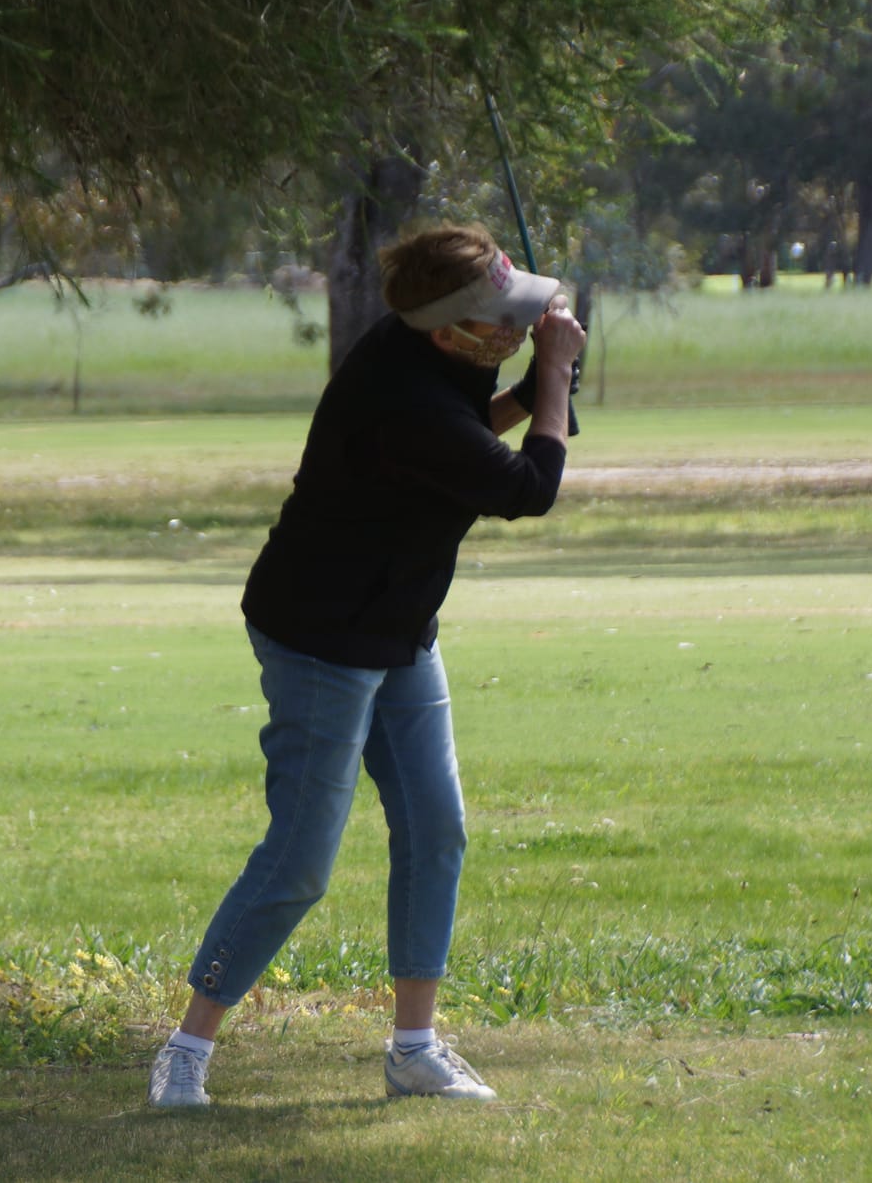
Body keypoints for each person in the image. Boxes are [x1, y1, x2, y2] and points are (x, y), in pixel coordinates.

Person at [147, 223, 588, 1109]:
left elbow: (471, 439)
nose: (516, 327)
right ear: (449, 332)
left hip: (398, 625)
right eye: (503, 319)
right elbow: (525, 488)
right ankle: (185, 1051)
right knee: (302, 859)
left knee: (436, 826)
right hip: (321, 636)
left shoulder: (427, 365)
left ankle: (414, 1049)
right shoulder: (405, 398)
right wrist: (552, 378)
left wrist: (539, 379)